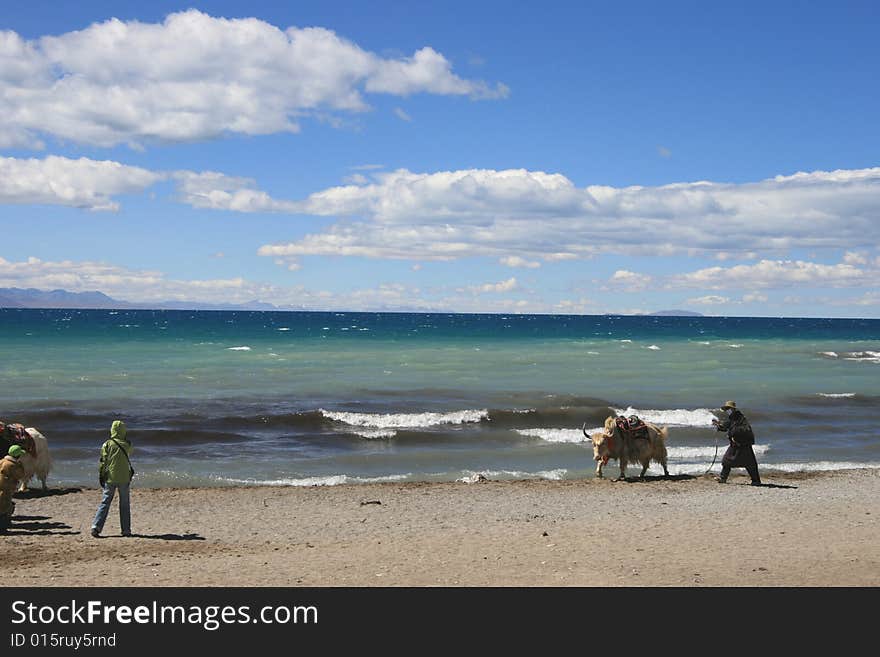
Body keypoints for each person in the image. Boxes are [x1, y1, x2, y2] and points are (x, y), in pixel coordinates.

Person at [91, 420, 134, 537]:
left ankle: (96, 527)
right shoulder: (127, 444)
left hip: (110, 477)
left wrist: (101, 475)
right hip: (124, 478)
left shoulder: (107, 444)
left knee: (105, 502)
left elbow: (103, 461)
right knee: (124, 504)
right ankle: (126, 530)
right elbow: (130, 452)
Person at [712, 401, 761, 486]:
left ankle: (756, 481)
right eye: (726, 409)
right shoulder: (732, 418)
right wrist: (719, 425)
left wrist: (733, 432)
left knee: (750, 463)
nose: (727, 410)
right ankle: (723, 478)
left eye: (728, 408)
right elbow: (727, 426)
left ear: (733, 409)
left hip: (743, 444)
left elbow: (745, 429)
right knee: (726, 461)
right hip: (735, 445)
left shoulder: (741, 418)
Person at [0, 444, 27, 531]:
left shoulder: (2, 461)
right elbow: (20, 475)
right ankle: (3, 528)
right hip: (6, 488)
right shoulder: (13, 465)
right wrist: (20, 465)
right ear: (17, 455)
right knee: (4, 507)